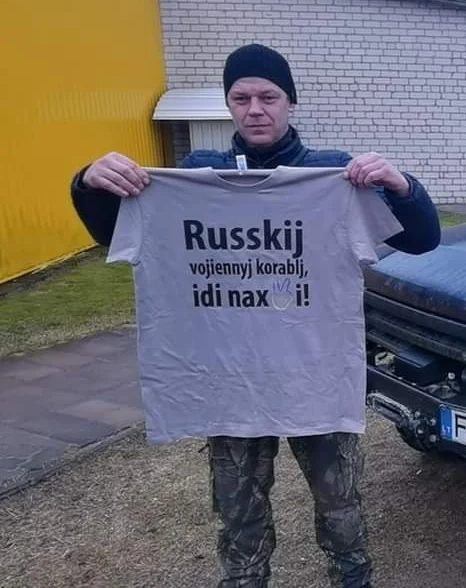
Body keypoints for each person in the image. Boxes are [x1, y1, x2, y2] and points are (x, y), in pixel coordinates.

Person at [69, 43, 442, 588]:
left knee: (340, 506)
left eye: (268, 96)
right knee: (238, 516)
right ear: (228, 105)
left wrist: (403, 186)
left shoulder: (333, 175)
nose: (255, 109)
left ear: (290, 101)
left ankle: (353, 579)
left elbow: (422, 238)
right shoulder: (193, 176)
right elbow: (112, 232)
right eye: (241, 98)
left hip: (315, 376)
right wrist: (88, 181)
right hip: (231, 382)